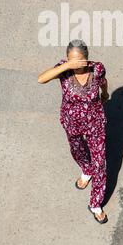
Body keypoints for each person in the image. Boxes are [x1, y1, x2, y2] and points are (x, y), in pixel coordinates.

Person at [38, 40, 110, 224]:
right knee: (77, 150)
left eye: (78, 61)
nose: (75, 64)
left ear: (86, 59)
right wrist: (67, 66)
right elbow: (41, 79)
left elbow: (103, 82)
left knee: (100, 162)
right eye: (71, 60)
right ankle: (86, 170)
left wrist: (105, 94)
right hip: (72, 121)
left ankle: (96, 203)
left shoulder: (97, 69)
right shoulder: (64, 70)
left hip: (95, 122)